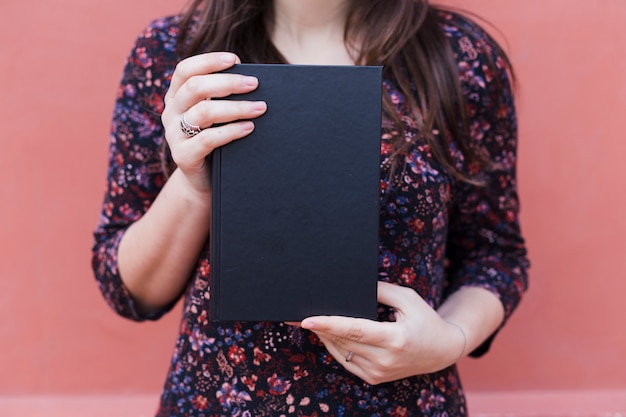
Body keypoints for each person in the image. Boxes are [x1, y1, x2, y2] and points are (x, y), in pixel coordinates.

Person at [92, 1, 530, 415]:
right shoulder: (175, 52)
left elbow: (495, 255)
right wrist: (193, 183)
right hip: (220, 401)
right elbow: (129, 290)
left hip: (403, 402)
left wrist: (451, 339)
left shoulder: (460, 54)